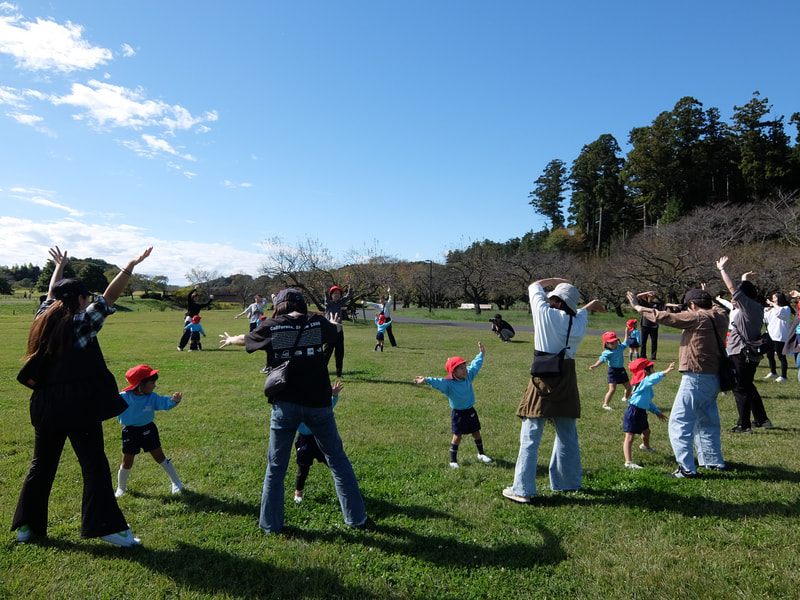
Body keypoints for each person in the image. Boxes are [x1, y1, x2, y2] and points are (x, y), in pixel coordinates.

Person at [12, 245, 152, 546]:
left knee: (41, 465)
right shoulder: (80, 324)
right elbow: (109, 298)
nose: (89, 301)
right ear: (79, 299)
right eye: (86, 298)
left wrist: (59, 267)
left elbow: (51, 295)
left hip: (44, 405)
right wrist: (130, 266)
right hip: (77, 406)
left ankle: (27, 527)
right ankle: (109, 529)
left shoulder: (42, 317)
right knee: (94, 464)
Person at [218, 288, 366, 534]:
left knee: (276, 467)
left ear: (279, 305)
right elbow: (336, 330)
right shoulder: (317, 322)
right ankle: (356, 518)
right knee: (338, 460)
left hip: (285, 404)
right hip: (319, 403)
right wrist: (334, 323)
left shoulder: (273, 325)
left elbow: (247, 339)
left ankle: (270, 525)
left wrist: (231, 339)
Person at [503, 279, 606, 503]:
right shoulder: (578, 323)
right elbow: (581, 312)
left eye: (552, 299)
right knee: (567, 434)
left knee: (531, 434)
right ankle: (568, 483)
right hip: (567, 377)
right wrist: (590, 305)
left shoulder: (544, 314)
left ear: (557, 302)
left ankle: (522, 489)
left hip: (544, 376)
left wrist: (555, 281)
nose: (548, 301)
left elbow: (534, 286)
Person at [627, 287, 728, 477]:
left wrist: (638, 307)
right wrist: (706, 295)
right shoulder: (721, 316)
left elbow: (665, 317)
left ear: (693, 305)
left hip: (696, 376)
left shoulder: (697, 318)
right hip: (715, 377)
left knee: (679, 422)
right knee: (707, 421)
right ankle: (714, 461)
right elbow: (717, 307)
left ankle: (686, 468)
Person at [414, 341, 493, 468]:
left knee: (476, 432)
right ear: (453, 372)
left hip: (470, 410)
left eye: (464, 367)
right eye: (461, 368)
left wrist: (481, 354)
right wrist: (426, 380)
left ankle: (481, 454)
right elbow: (438, 382)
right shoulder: (448, 384)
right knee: (457, 437)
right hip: (458, 414)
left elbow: (475, 365)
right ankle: (453, 461)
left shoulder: (468, 376)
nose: (465, 370)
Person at [716, 257, 773, 432]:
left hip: (741, 353)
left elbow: (733, 288)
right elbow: (742, 290)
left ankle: (744, 425)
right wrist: (744, 278)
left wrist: (722, 269)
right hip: (750, 353)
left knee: (739, 388)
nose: (734, 297)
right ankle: (762, 420)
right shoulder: (755, 307)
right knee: (748, 386)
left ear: (745, 296)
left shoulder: (748, 307)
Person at [114, 365, 184, 498]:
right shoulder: (123, 397)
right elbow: (109, 405)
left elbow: (163, 402)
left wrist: (173, 401)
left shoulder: (152, 397)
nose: (154, 386)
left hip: (148, 430)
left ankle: (176, 482)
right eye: (152, 383)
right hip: (130, 432)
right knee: (127, 462)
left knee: (159, 457)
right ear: (140, 384)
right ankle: (121, 488)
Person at [293, 380, 344, 503]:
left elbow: (329, 406)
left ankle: (344, 485)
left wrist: (334, 395)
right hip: (304, 442)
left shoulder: (318, 406)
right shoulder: (297, 408)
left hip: (320, 439)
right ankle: (298, 492)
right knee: (303, 469)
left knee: (333, 463)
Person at [622, 358, 672, 469]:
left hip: (641, 412)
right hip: (633, 412)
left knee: (646, 431)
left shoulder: (646, 387)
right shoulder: (644, 383)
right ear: (645, 371)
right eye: (652, 369)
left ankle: (645, 446)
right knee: (629, 437)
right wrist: (665, 372)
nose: (654, 370)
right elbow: (652, 379)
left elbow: (647, 402)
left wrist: (657, 412)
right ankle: (628, 462)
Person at [588, 331, 632, 410]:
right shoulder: (607, 353)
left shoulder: (620, 347)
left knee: (629, 387)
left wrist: (626, 333)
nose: (615, 344)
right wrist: (595, 365)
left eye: (616, 342)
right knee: (612, 389)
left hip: (621, 370)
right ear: (607, 344)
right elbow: (602, 360)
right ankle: (605, 404)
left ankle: (625, 398)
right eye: (612, 343)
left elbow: (626, 342)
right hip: (613, 371)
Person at [322, 277, 352, 377]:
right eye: (335, 293)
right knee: (327, 353)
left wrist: (350, 285)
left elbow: (349, 296)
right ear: (331, 294)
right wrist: (325, 289)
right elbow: (326, 298)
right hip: (330, 332)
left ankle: (339, 373)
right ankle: (322, 372)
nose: (337, 295)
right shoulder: (329, 304)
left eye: (338, 293)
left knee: (339, 354)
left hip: (339, 332)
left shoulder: (340, 303)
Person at [763, 292, 792, 382]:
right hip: (770, 335)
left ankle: (784, 376)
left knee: (781, 356)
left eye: (774, 298)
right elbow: (765, 318)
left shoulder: (786, 308)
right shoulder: (773, 309)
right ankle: (773, 372)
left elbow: (781, 312)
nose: (772, 300)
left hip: (779, 335)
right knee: (769, 355)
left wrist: (773, 305)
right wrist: (766, 310)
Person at [177, 286, 213, 351]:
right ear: (193, 297)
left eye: (197, 297)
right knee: (187, 334)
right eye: (196, 297)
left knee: (195, 333)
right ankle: (181, 347)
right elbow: (189, 295)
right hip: (189, 319)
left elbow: (206, 304)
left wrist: (211, 299)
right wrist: (195, 289)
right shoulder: (190, 303)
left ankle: (194, 347)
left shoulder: (198, 305)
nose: (197, 298)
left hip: (195, 320)